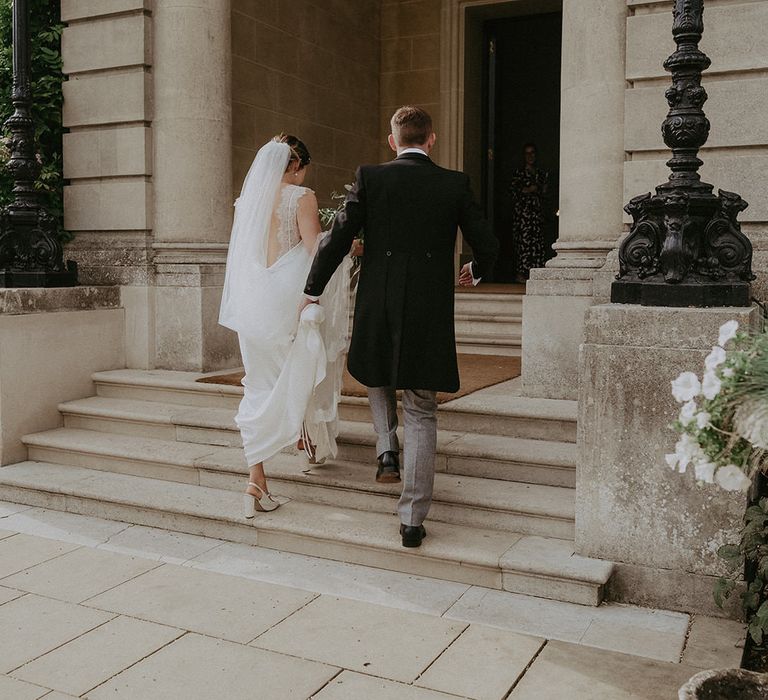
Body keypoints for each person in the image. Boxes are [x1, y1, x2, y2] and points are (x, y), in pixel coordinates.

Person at [301, 106, 498, 548]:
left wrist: (312, 289)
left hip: (380, 301)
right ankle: (412, 519)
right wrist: (478, 268)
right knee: (422, 406)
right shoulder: (454, 183)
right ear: (432, 139)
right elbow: (486, 240)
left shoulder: (371, 177)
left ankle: (386, 447)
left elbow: (337, 236)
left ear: (393, 141)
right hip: (428, 308)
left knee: (374, 371)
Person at [219, 135, 351, 518]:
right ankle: (305, 436)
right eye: (303, 168)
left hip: (252, 302)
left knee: (258, 384)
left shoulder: (247, 201)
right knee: (303, 368)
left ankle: (256, 479)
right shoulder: (301, 196)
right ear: (296, 166)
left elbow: (245, 254)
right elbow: (314, 250)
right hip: (288, 298)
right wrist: (343, 244)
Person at [509, 142, 549, 281]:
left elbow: (545, 192)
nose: (530, 156)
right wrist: (528, 190)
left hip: (537, 215)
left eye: (532, 153)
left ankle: (536, 275)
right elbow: (514, 192)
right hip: (523, 215)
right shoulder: (519, 173)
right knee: (523, 244)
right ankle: (521, 275)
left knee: (538, 243)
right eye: (527, 153)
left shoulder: (540, 173)